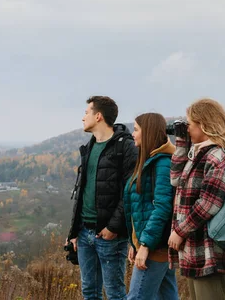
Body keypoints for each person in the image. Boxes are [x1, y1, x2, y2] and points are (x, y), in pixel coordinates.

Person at [168, 98, 225, 300]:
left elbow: (209, 203)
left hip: (208, 250)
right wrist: (181, 144)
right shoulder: (199, 153)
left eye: (190, 124)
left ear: (204, 125)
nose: (187, 128)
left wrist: (179, 231)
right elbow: (175, 180)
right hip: (195, 248)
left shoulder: (216, 156)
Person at [66, 96, 138, 300]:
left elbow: (130, 191)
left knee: (115, 293)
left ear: (98, 116)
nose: (82, 118)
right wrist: (74, 231)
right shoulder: (89, 147)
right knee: (89, 291)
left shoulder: (125, 146)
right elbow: (82, 191)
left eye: (86, 113)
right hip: (84, 233)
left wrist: (113, 228)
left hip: (109, 235)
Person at [123, 113, 178, 300]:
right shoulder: (150, 161)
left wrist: (145, 245)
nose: (133, 134)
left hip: (155, 247)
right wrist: (135, 242)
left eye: (136, 129)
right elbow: (140, 208)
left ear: (148, 133)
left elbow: (162, 207)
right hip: (153, 243)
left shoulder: (162, 163)